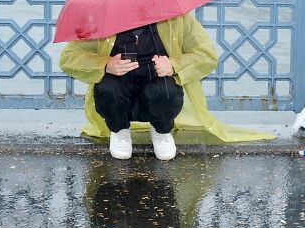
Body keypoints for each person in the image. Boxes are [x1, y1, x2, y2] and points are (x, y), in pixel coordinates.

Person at [60, 12, 275, 160]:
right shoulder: (103, 20)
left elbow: (207, 55)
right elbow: (69, 57)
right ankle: (119, 131)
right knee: (108, 88)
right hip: (119, 95)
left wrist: (173, 64)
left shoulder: (177, 18)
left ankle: (162, 131)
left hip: (156, 93)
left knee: (165, 90)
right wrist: (105, 64)